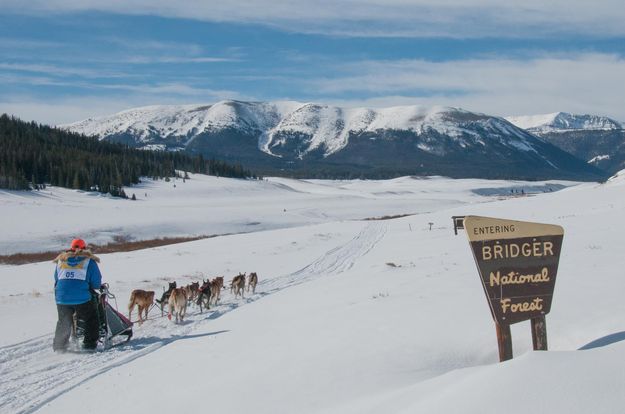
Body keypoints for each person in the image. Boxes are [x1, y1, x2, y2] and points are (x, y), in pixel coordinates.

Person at [52, 238, 103, 352]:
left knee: (63, 321)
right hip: (81, 298)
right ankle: (89, 345)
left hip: (61, 297)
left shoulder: (61, 260)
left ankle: (60, 347)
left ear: (71, 248)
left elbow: (56, 279)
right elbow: (96, 283)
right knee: (91, 318)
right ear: (84, 248)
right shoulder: (89, 261)